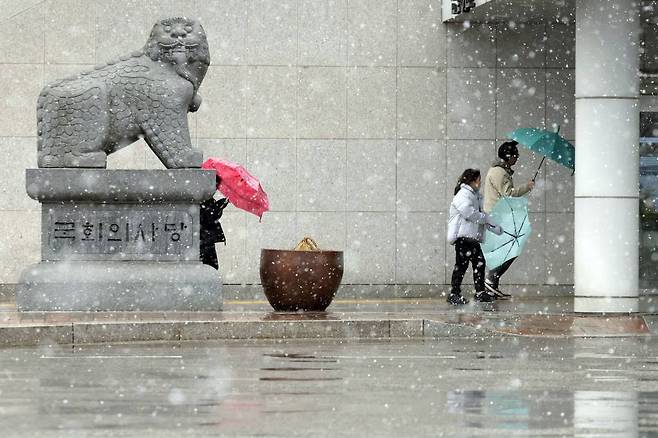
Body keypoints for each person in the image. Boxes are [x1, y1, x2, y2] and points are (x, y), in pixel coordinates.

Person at [482, 141, 535, 298]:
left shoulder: (499, 171)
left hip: (498, 215)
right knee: (511, 249)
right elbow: (509, 194)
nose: (517, 159)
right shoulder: (499, 172)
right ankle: (491, 279)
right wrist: (527, 187)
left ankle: (492, 286)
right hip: (498, 216)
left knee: (506, 249)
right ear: (508, 156)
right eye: (515, 155)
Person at [447, 168, 503, 305]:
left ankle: (480, 292)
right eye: (478, 179)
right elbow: (470, 213)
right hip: (463, 237)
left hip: (472, 238)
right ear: (471, 180)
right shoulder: (463, 194)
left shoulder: (475, 196)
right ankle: (454, 293)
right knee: (461, 265)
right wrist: (485, 218)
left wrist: (495, 227)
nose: (480, 182)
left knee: (479, 263)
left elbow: (480, 216)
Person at [200, 176, 229, 270]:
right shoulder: (203, 198)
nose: (216, 189)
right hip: (204, 239)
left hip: (206, 239)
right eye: (215, 186)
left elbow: (211, 216)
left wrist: (219, 207)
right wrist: (218, 207)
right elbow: (209, 217)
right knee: (211, 266)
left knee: (211, 266)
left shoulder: (208, 198)